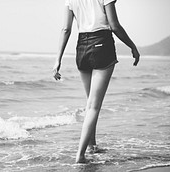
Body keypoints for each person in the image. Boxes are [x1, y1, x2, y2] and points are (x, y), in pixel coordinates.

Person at [53, 0, 140, 163]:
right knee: (94, 106)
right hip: (102, 44)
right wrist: (132, 46)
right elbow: (114, 26)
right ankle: (80, 155)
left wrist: (58, 59)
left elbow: (66, 29)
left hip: (82, 47)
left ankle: (92, 146)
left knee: (90, 103)